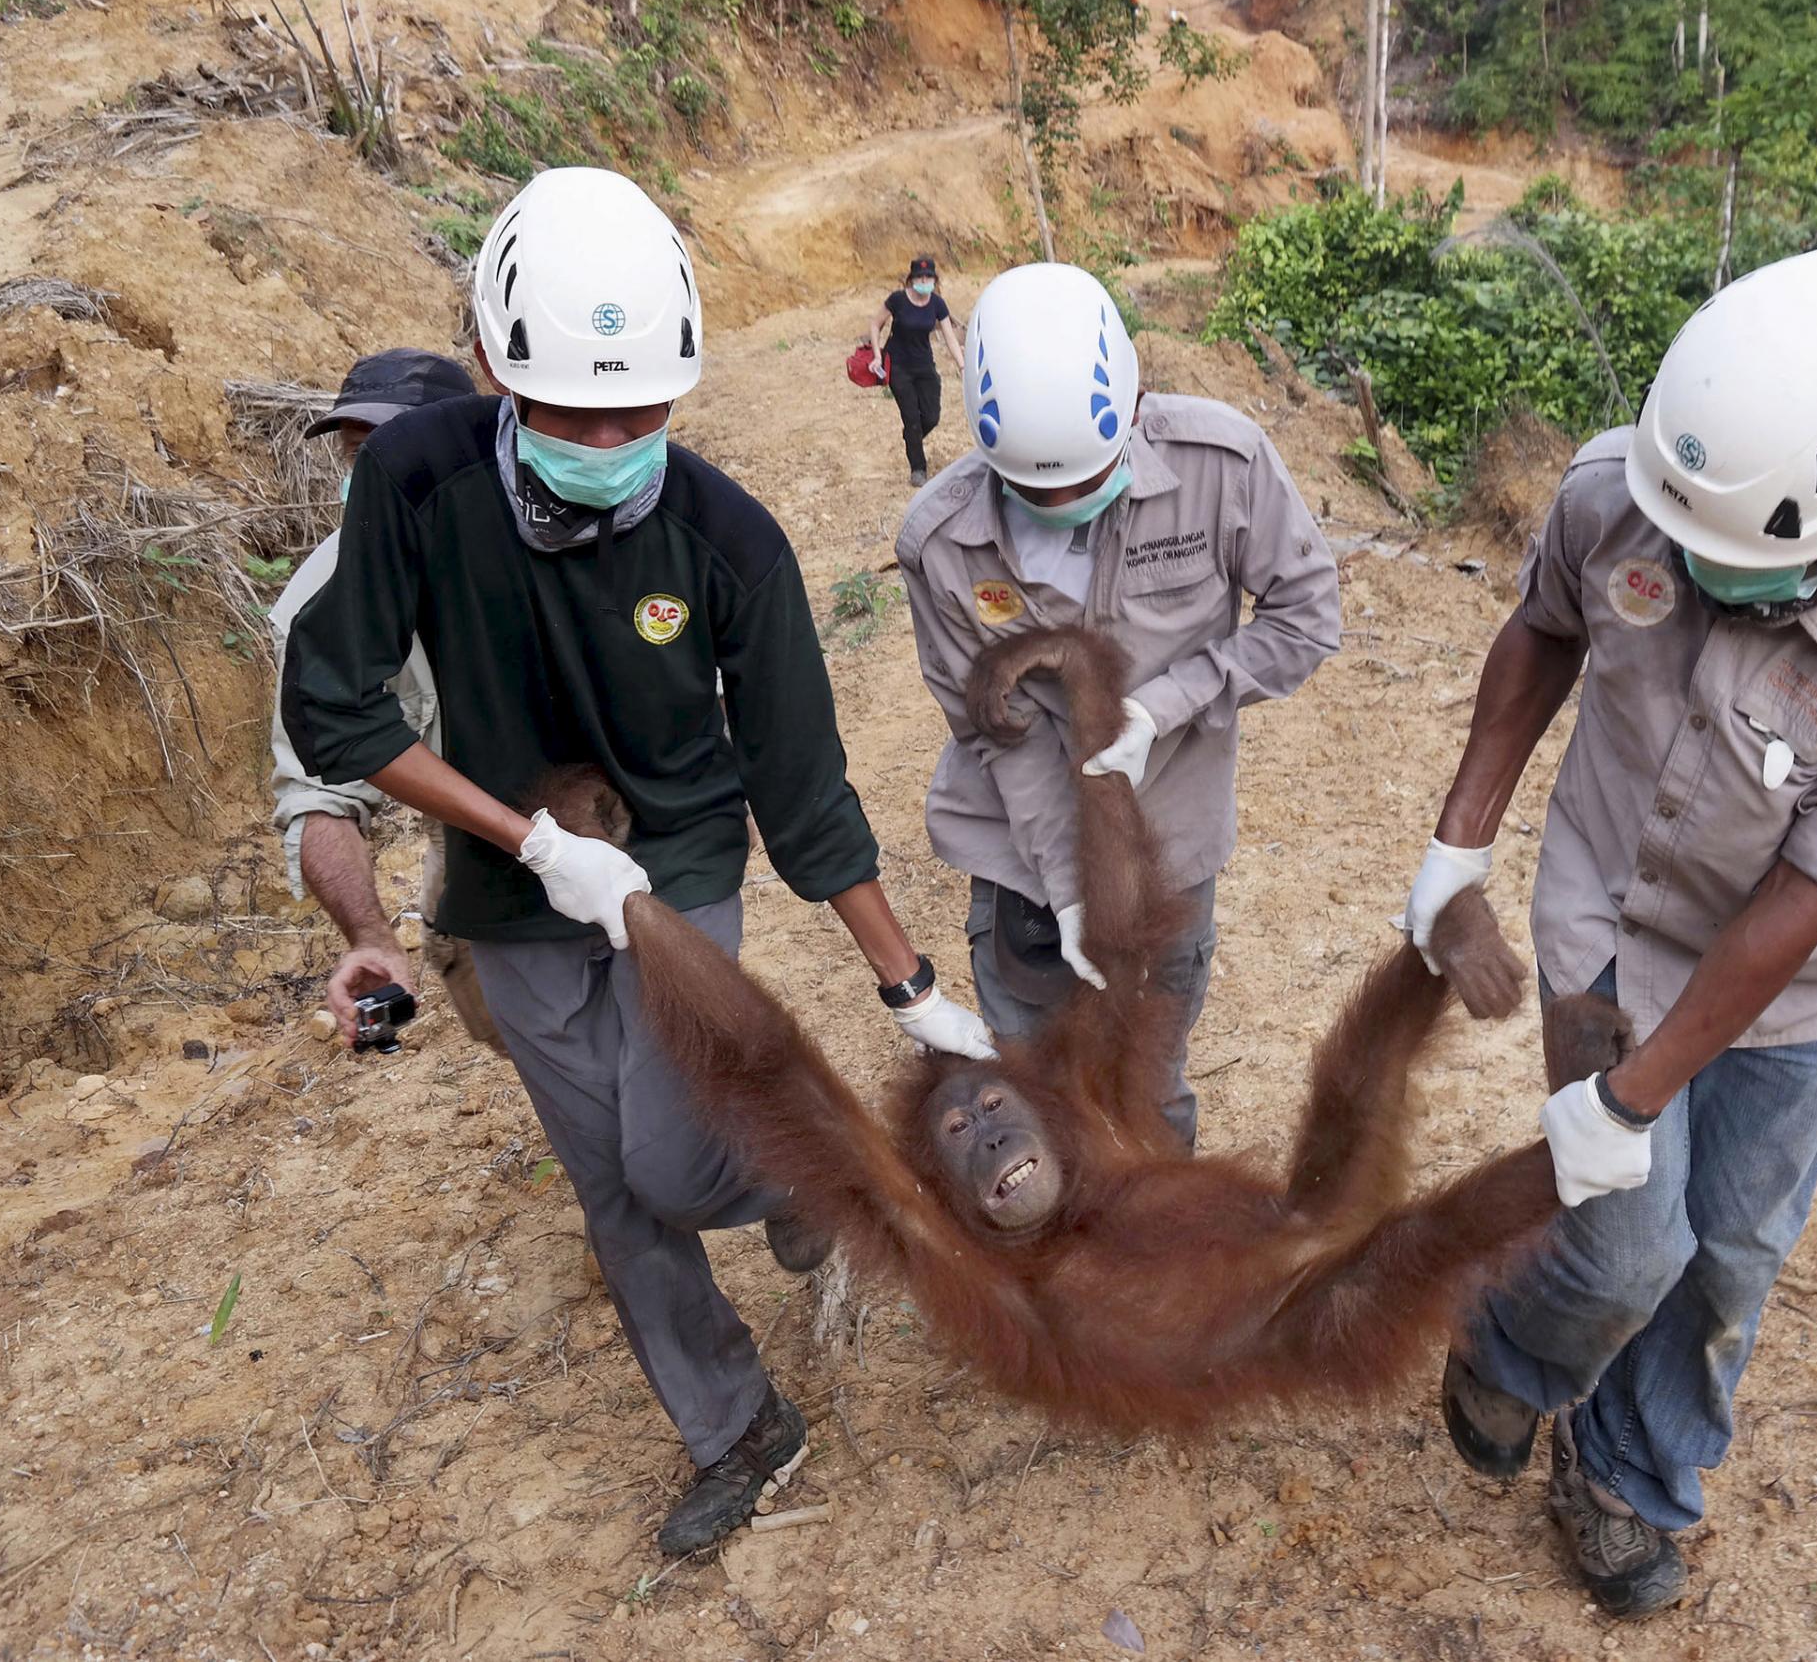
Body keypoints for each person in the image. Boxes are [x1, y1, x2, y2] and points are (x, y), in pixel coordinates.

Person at [279, 166, 992, 1556]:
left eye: (642, 411)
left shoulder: (725, 541)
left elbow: (802, 789)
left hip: (677, 864)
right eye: (573, 412)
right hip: (509, 890)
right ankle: (739, 1423)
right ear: (492, 366)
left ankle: (813, 1171)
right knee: (607, 1182)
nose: (611, 437)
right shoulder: (419, 482)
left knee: (670, 1157)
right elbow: (339, 710)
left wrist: (912, 988)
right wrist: (530, 839)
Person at [1403, 243, 1817, 1617]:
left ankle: (1627, 1471)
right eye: (1681, 535)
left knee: (1728, 1257)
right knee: (1630, 1245)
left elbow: (1810, 889)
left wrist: (1631, 1093)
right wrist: (1460, 839)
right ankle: (1508, 1345)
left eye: (1732, 554)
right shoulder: (1622, 491)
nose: (1688, 562)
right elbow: (1540, 634)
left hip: (1787, 984)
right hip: (1605, 917)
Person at [896, 262, 1342, 1149]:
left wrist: (1172, 703)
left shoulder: (1223, 465)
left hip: (1170, 843)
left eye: (1083, 481)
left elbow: (1307, 614)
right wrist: (1068, 888)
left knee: (1149, 1083)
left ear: (1132, 412)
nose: (1060, 509)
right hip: (1024, 861)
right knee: (1034, 1098)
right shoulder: (940, 541)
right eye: (1033, 492)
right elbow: (999, 733)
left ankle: (1174, 1270)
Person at [268, 348, 506, 1052]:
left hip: (600, 809)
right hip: (474, 851)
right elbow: (317, 795)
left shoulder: (547, 535)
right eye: (357, 459)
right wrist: (372, 937)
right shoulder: (318, 606)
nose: (371, 480)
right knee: (525, 1033)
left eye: (393, 453)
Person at [868, 253, 964, 488]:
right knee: (911, 418)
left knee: (931, 416)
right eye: (920, 277)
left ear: (934, 279)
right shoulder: (898, 300)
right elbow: (875, 323)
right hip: (899, 366)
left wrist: (962, 364)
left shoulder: (937, 304)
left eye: (928, 277)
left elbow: (950, 337)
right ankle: (918, 469)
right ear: (911, 280)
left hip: (924, 366)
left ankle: (912, 439)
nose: (924, 281)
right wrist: (877, 356)